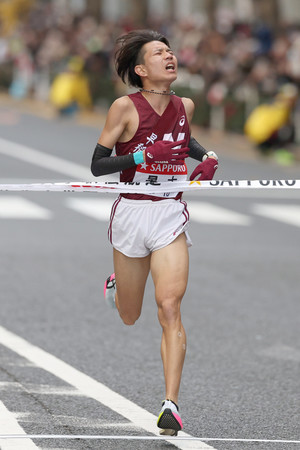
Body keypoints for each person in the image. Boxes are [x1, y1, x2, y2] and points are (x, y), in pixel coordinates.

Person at [91, 29, 218, 436]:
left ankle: (171, 405)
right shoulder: (124, 108)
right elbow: (97, 164)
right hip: (131, 213)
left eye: (171, 51)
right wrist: (141, 155)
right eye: (159, 53)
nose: (170, 56)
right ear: (142, 70)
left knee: (170, 307)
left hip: (168, 213)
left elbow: (184, 140)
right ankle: (118, 284)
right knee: (130, 315)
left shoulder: (186, 105)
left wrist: (207, 156)